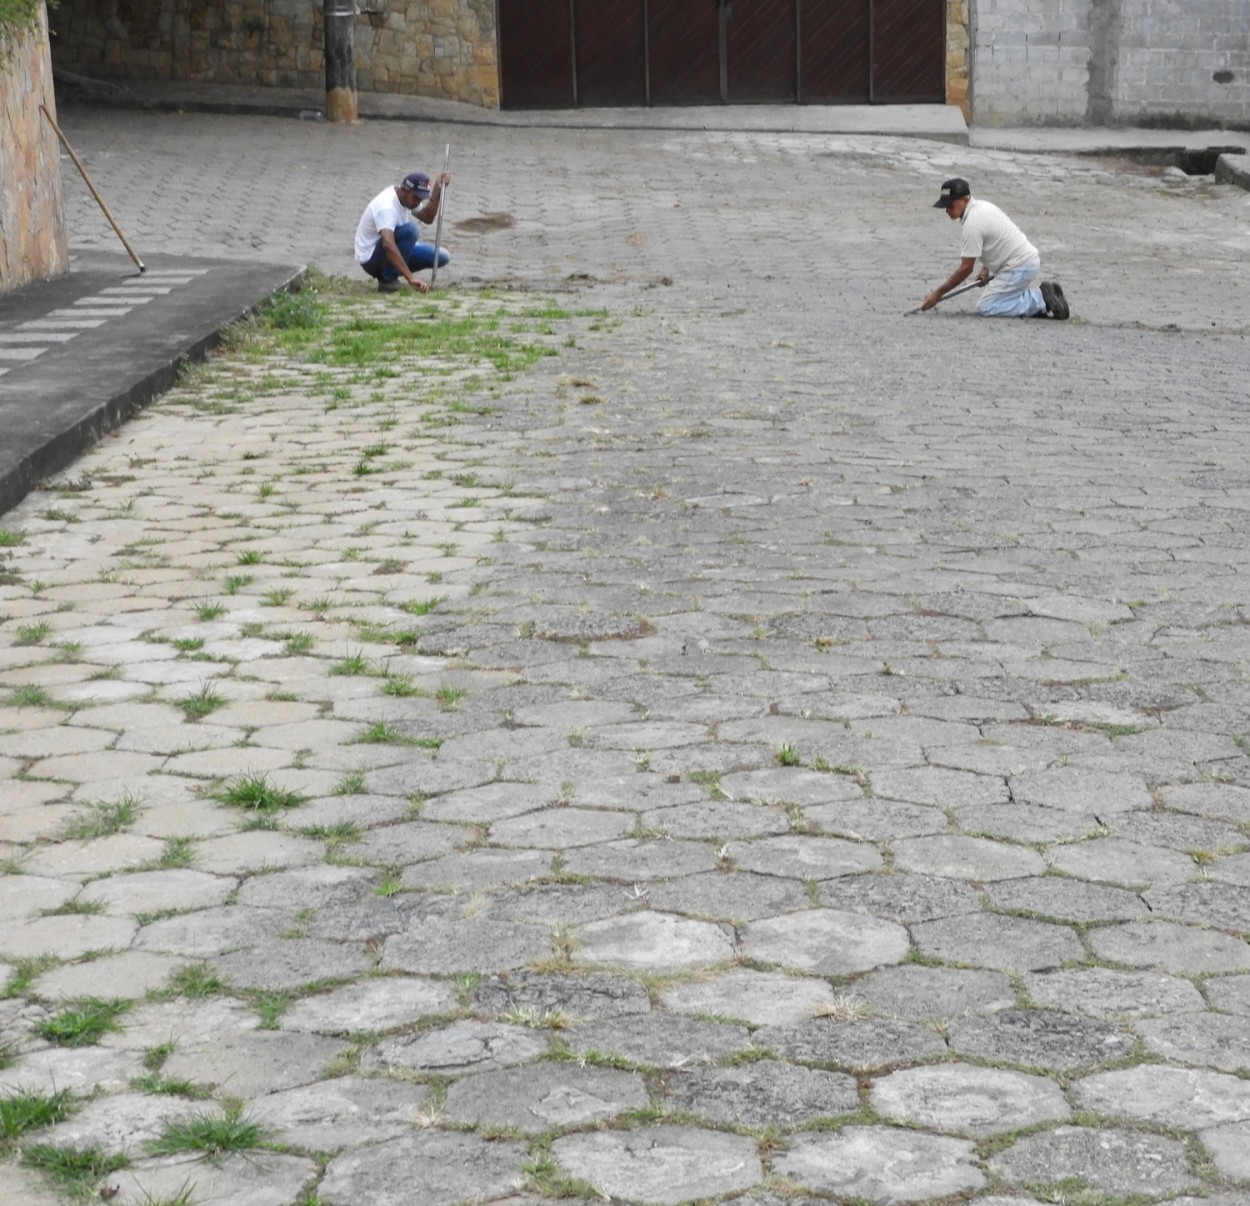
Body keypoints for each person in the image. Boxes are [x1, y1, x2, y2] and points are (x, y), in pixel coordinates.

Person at [921, 178, 1068, 319]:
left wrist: (938, 293)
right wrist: (986, 268)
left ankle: (1041, 299)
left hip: (1019, 267)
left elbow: (965, 269)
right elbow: (995, 239)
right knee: (999, 301)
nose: (947, 210)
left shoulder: (972, 224)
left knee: (987, 306)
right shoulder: (982, 207)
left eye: (950, 205)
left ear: (964, 200)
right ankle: (1036, 298)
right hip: (1026, 261)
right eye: (945, 206)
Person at [354, 169, 451, 293]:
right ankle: (388, 279)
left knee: (442, 256)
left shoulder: (406, 199)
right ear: (405, 190)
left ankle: (393, 269)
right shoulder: (386, 207)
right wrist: (410, 278)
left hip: (390, 250)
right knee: (411, 231)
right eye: (416, 197)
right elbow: (388, 244)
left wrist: (438, 189)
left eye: (421, 199)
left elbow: (427, 217)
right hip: (372, 258)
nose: (418, 202)